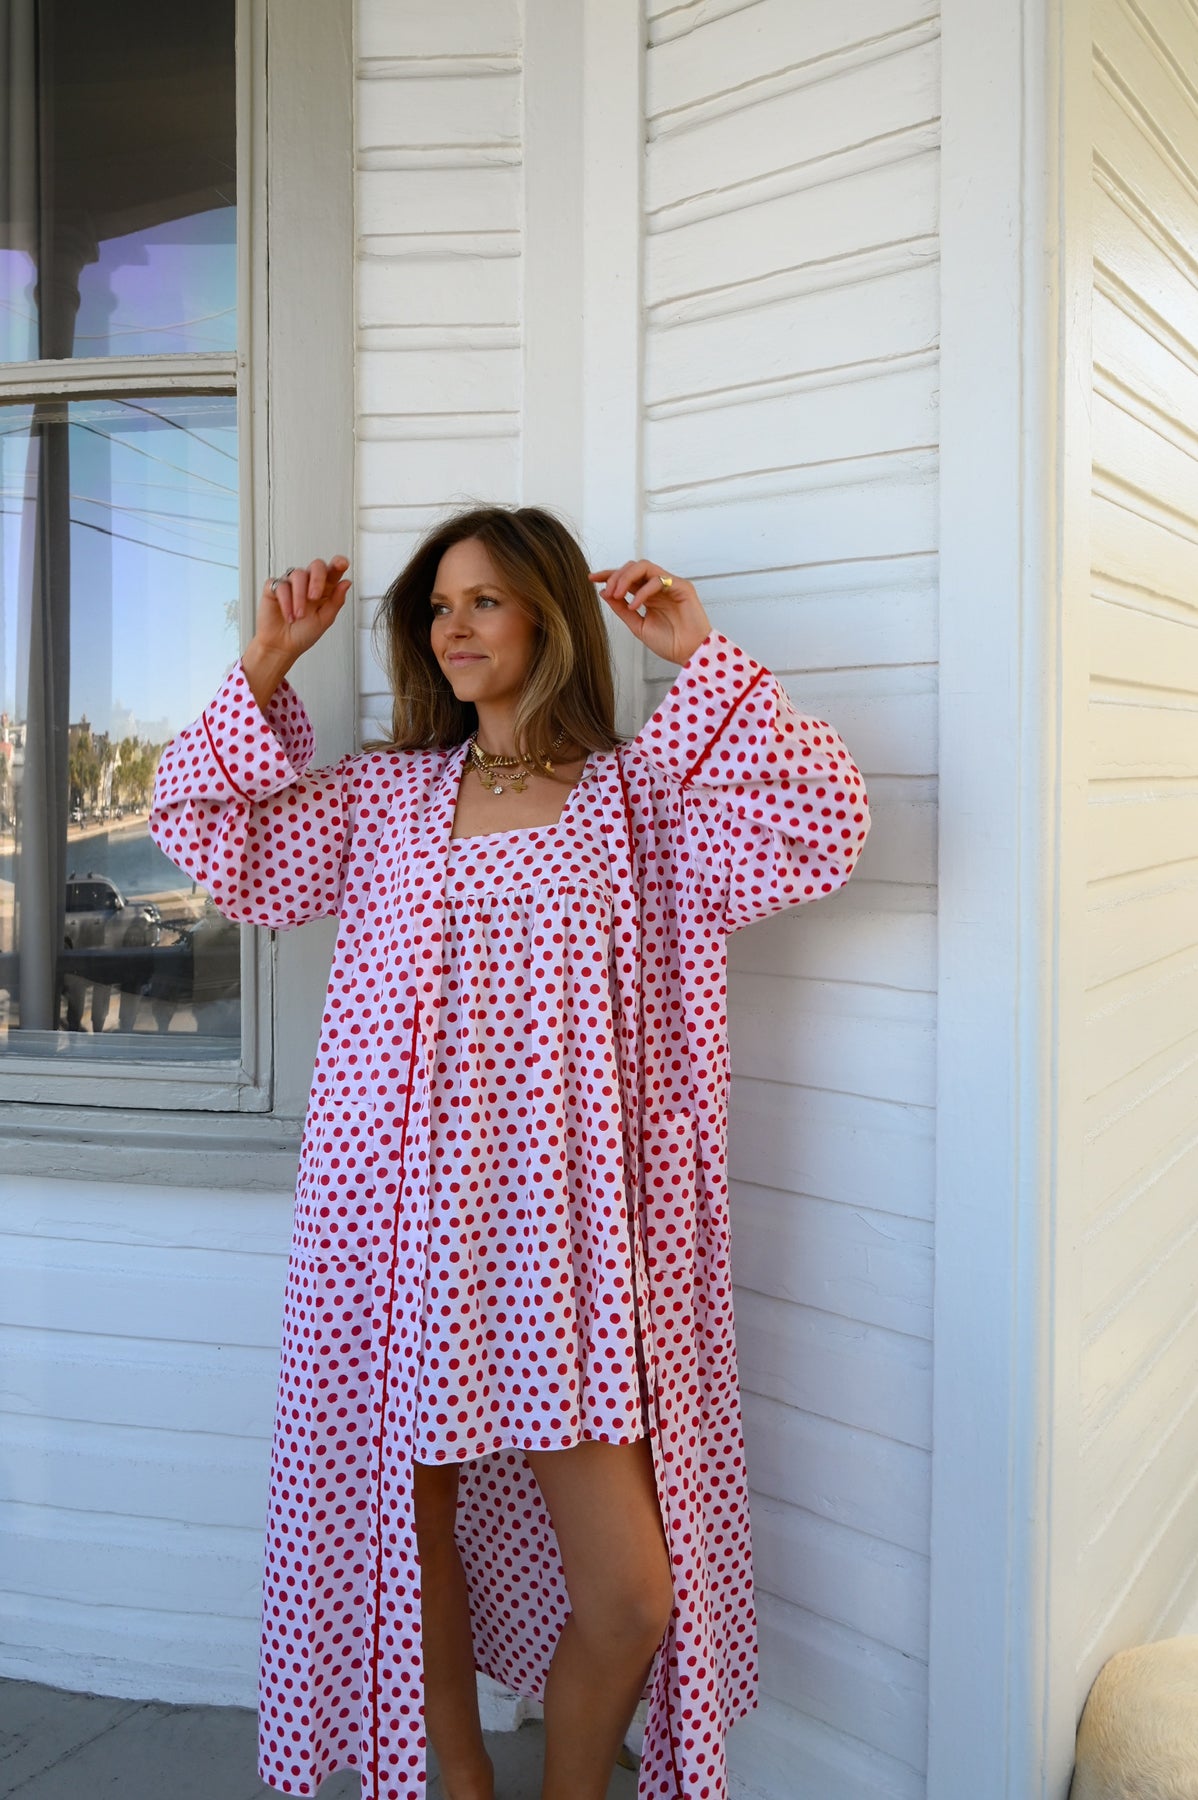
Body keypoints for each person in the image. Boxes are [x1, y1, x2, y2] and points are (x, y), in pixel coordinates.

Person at [149, 506, 871, 1800]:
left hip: (571, 1238)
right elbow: (220, 844)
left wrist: (699, 652)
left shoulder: (640, 800)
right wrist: (267, 666)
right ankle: (458, 1781)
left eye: (483, 600)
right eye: (437, 607)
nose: (454, 628)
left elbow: (814, 825)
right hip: (394, 1224)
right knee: (397, 1541)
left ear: (549, 614)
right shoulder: (384, 799)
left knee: (632, 1596)